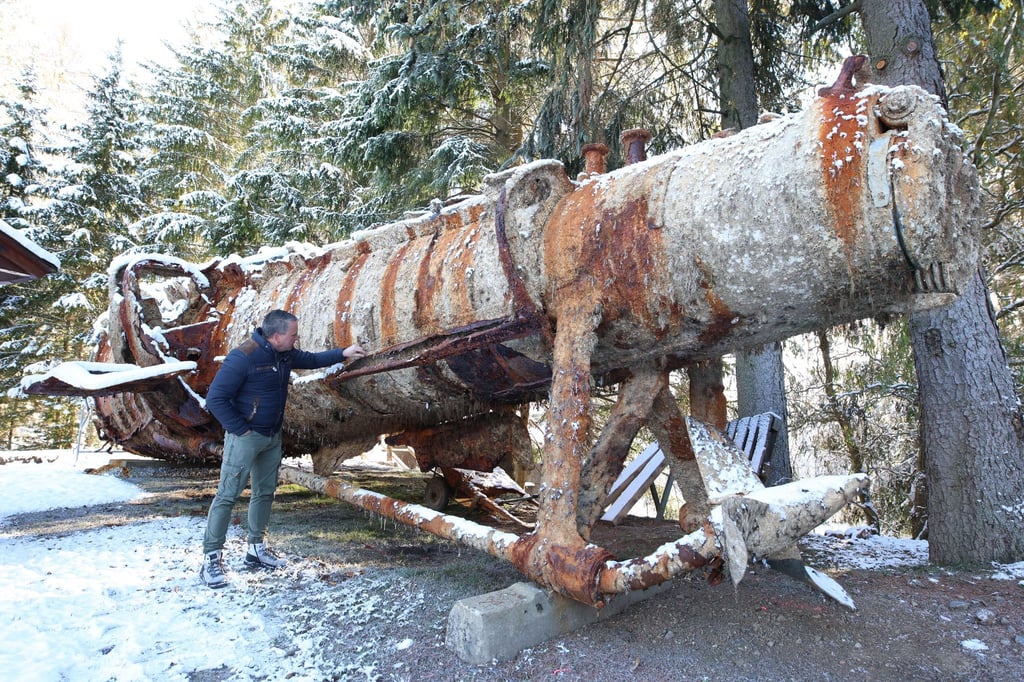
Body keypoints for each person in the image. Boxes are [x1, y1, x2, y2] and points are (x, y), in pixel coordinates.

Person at [200, 309, 365, 588]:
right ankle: (211, 559)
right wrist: (242, 429)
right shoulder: (243, 356)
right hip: (245, 437)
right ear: (276, 336)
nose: (296, 340)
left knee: (265, 492)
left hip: (272, 437)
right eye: (293, 335)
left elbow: (312, 360)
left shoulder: (284, 354)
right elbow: (215, 399)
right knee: (228, 494)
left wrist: (343, 352)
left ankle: (256, 550)